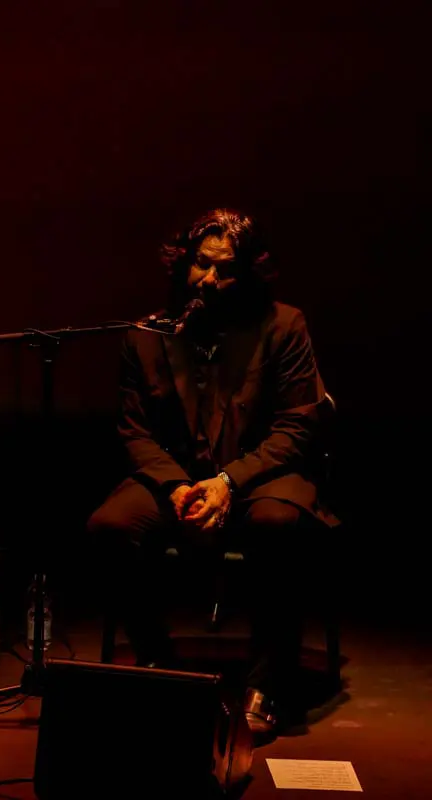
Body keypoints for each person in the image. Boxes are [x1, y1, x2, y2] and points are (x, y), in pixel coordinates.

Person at [87, 208, 337, 742]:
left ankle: (266, 684)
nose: (208, 279)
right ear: (184, 262)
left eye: (226, 270)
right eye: (202, 264)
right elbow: (134, 431)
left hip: (261, 475)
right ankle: (161, 668)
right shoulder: (146, 335)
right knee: (111, 527)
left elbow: (297, 426)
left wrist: (229, 482)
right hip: (176, 478)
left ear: (250, 274)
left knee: (276, 524)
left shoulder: (284, 326)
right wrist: (177, 485)